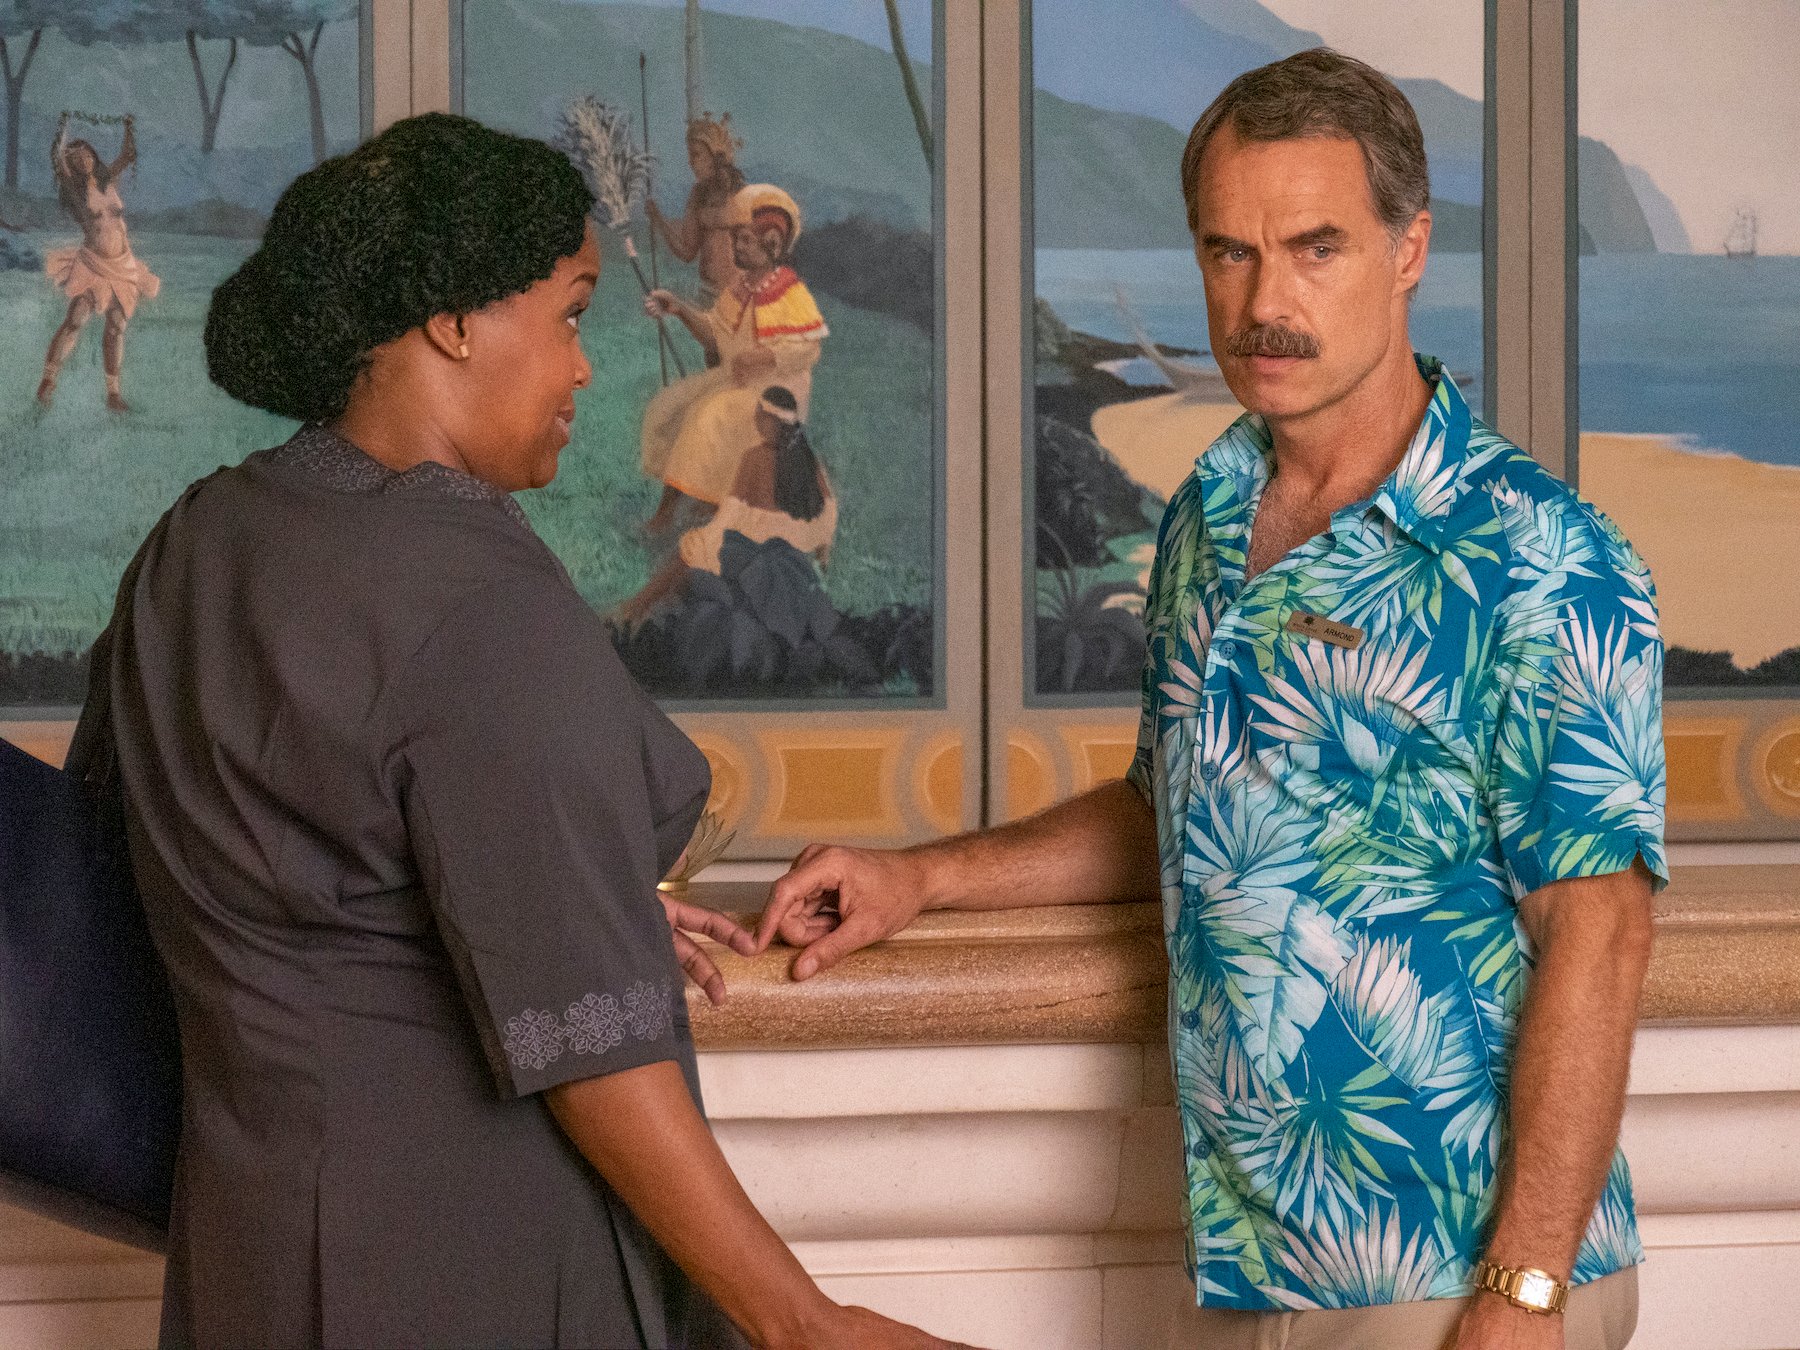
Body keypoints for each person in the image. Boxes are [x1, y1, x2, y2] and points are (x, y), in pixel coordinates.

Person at [757, 49, 1664, 1350]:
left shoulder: (1539, 552)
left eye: (1316, 248)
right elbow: (1175, 808)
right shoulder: (1214, 508)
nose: (1264, 300)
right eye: (1228, 252)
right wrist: (924, 879)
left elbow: (1603, 935)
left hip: (1449, 1280)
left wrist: (1524, 1296)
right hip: (1253, 1268)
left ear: (1409, 252)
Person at [74, 112, 952, 1350]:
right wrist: (806, 1323)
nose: (584, 368)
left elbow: (165, 850)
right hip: (467, 1269)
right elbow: (588, 1045)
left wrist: (549, 888)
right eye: (571, 313)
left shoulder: (199, 540)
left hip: (249, 1260)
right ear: (454, 319)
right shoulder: (481, 604)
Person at [640, 184, 828, 535]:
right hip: (736, 380)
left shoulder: (790, 291)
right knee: (671, 406)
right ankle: (688, 507)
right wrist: (678, 308)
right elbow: (714, 332)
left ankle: (672, 518)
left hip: (776, 392)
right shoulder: (739, 288)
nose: (735, 247)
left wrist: (766, 357)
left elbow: (808, 349)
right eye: (735, 238)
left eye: (744, 240)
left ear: (771, 245)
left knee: (708, 417)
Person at [615, 385, 837, 628]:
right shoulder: (809, 459)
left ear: (769, 420)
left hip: (760, 547)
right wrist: (820, 557)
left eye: (759, 413)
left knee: (690, 552)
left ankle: (634, 610)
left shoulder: (755, 456)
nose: (755, 418)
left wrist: (703, 538)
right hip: (796, 547)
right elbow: (828, 515)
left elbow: (729, 515)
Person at [38, 112, 160, 413]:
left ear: (93, 155)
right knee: (76, 319)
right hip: (93, 264)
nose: (83, 161)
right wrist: (63, 125)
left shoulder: (109, 181)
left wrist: (129, 127)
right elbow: (56, 158)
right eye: (76, 159)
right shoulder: (74, 191)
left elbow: (128, 155)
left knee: (117, 326)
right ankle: (48, 380)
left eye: (86, 155)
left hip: (123, 265)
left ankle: (113, 394)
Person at [647, 112, 749, 303]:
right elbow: (687, 252)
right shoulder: (698, 194)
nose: (691, 162)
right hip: (707, 295)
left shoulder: (737, 191)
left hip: (739, 298)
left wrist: (708, 217)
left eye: (696, 155)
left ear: (714, 155)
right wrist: (658, 220)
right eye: (689, 155)